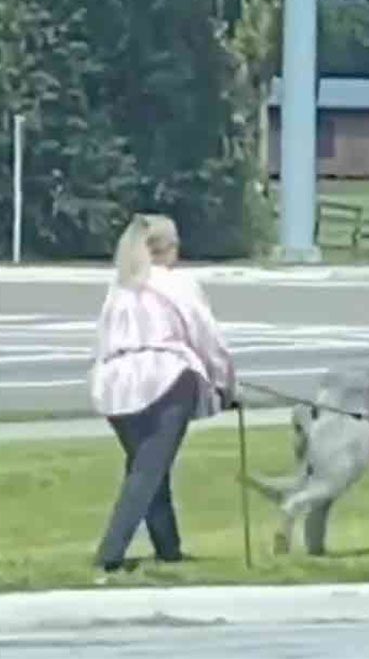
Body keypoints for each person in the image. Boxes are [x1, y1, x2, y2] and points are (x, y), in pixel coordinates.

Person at [88, 213, 237, 574]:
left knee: (149, 466)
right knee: (147, 471)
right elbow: (208, 339)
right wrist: (226, 384)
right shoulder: (177, 284)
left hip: (115, 384)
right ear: (169, 248)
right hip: (167, 378)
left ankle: (169, 551)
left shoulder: (121, 287)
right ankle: (109, 554)